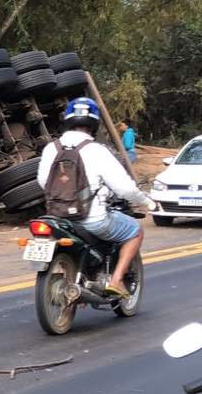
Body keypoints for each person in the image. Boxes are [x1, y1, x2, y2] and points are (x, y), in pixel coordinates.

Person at [38, 97, 155, 299]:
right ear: (94, 124)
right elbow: (124, 188)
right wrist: (147, 201)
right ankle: (116, 280)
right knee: (135, 231)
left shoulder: (51, 148)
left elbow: (43, 181)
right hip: (93, 220)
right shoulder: (97, 151)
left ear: (68, 120)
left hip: (58, 218)